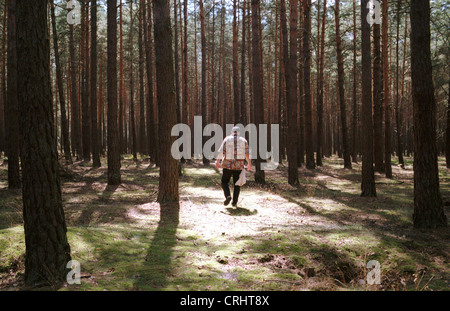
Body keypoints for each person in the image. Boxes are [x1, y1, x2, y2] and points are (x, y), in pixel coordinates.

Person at [215, 126, 251, 207]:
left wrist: (218, 162)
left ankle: (228, 196)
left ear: (232, 132)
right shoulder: (243, 140)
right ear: (239, 132)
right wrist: (249, 163)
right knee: (237, 184)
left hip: (227, 165)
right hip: (239, 166)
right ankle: (234, 202)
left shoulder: (227, 139)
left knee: (224, 181)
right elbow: (247, 153)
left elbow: (222, 152)